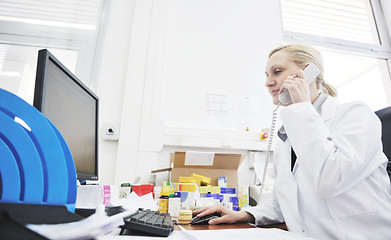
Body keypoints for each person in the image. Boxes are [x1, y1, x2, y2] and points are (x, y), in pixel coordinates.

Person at [193, 44, 391, 239]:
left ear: (308, 73)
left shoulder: (354, 115)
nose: (268, 82)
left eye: (277, 72)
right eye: (266, 75)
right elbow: (284, 204)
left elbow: (330, 180)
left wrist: (302, 105)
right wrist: (245, 214)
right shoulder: (287, 140)